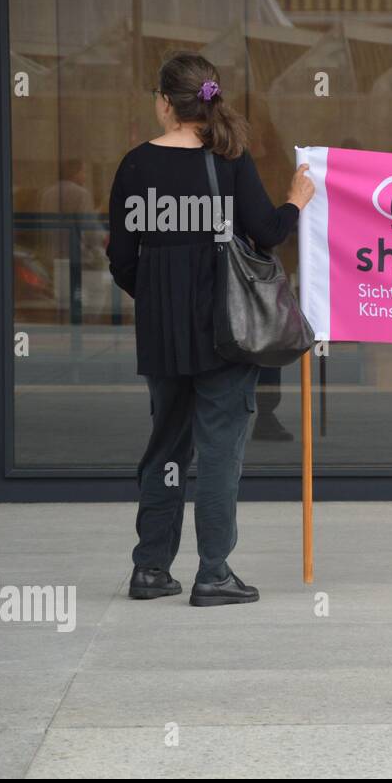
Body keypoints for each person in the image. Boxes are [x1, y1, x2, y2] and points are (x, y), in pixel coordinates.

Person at [107, 52, 315, 606]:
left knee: (166, 451)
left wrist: (157, 299)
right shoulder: (228, 158)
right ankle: (213, 573)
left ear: (164, 103)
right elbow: (266, 232)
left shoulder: (134, 165)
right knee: (220, 451)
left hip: (162, 334)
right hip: (227, 330)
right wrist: (295, 202)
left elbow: (122, 259)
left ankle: (150, 569)